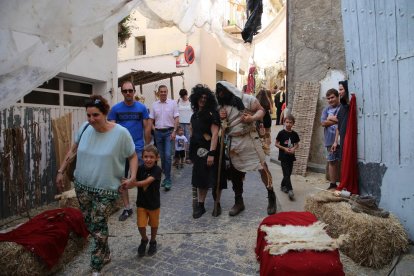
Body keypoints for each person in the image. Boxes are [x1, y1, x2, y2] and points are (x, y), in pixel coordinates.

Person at [56, 95, 137, 275]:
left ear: (105, 113)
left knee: (99, 223)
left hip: (106, 189)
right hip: (82, 186)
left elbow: (132, 155)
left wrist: (132, 177)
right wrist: (61, 171)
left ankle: (96, 264)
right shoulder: (85, 128)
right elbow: (73, 150)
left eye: (95, 115)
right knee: (90, 224)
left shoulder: (120, 133)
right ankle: (106, 253)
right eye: (89, 115)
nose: (91, 119)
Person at [216, 81, 277, 216]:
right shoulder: (222, 105)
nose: (221, 95)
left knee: (263, 168)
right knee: (235, 173)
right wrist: (221, 118)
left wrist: (252, 118)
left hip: (250, 139)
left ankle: (271, 197)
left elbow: (262, 110)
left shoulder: (247, 99)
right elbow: (221, 124)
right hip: (234, 143)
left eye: (222, 92)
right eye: (219, 93)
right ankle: (239, 202)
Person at [108, 80, 151, 222]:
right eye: (125, 91)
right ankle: (127, 208)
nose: (128, 93)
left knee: (141, 178)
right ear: (122, 92)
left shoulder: (141, 108)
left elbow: (146, 127)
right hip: (121, 151)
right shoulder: (115, 109)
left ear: (134, 91)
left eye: (130, 90)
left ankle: (143, 204)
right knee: (123, 179)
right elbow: (111, 129)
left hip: (137, 149)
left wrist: (147, 145)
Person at [189, 84, 227, 218]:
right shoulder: (194, 116)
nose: (203, 99)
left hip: (213, 151)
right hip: (199, 153)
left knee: (216, 178)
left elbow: (215, 134)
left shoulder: (212, 114)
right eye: (200, 97)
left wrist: (211, 153)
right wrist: (191, 154)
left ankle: (217, 204)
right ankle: (201, 205)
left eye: (205, 97)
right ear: (196, 98)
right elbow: (193, 135)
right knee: (201, 179)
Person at [121, 145, 162, 257]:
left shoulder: (157, 170)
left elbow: (146, 182)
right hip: (141, 203)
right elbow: (131, 183)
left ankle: (153, 241)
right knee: (140, 225)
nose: (148, 159)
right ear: (142, 157)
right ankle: (144, 239)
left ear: (156, 158)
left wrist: (131, 183)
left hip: (154, 204)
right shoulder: (138, 169)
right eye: (146, 156)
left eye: (151, 157)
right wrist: (125, 186)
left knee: (154, 225)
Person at [150, 85, 179, 191]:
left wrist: (175, 131)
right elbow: (151, 119)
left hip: (169, 133)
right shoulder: (154, 105)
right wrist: (154, 130)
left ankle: (167, 179)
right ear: (158, 93)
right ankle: (164, 177)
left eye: (165, 91)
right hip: (158, 133)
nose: (163, 93)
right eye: (161, 91)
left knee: (167, 156)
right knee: (162, 157)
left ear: (167, 92)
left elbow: (176, 118)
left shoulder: (173, 103)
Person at [275, 114, 300, 200]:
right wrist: (284, 148)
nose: (288, 124)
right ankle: (290, 190)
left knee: (288, 173)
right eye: (287, 122)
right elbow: (276, 144)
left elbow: (297, 145)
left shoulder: (295, 134)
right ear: (284, 122)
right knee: (286, 173)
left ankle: (283, 186)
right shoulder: (281, 133)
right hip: (283, 156)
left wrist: (293, 148)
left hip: (291, 156)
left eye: (290, 122)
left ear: (293, 124)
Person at [321, 88, 341, 190]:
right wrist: (337, 120)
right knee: (332, 161)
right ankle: (333, 184)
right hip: (329, 139)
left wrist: (330, 118)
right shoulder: (326, 109)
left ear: (338, 97)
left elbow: (343, 120)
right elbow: (323, 123)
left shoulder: (342, 107)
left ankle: (342, 183)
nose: (330, 100)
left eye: (332, 97)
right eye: (328, 98)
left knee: (342, 161)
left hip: (342, 139)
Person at [332, 80, 350, 160]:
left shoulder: (350, 106)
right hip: (343, 139)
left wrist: (330, 118)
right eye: (339, 90)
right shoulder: (342, 107)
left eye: (341, 89)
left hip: (349, 139)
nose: (339, 92)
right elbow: (339, 126)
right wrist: (335, 142)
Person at [177, 88, 193, 163]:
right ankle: (181, 156)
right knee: (180, 140)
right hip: (180, 123)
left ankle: (188, 157)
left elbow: (193, 112)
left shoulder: (190, 102)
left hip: (188, 123)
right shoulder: (178, 101)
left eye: (185, 96)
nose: (184, 97)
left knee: (188, 141)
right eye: (182, 96)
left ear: (187, 94)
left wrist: (192, 124)